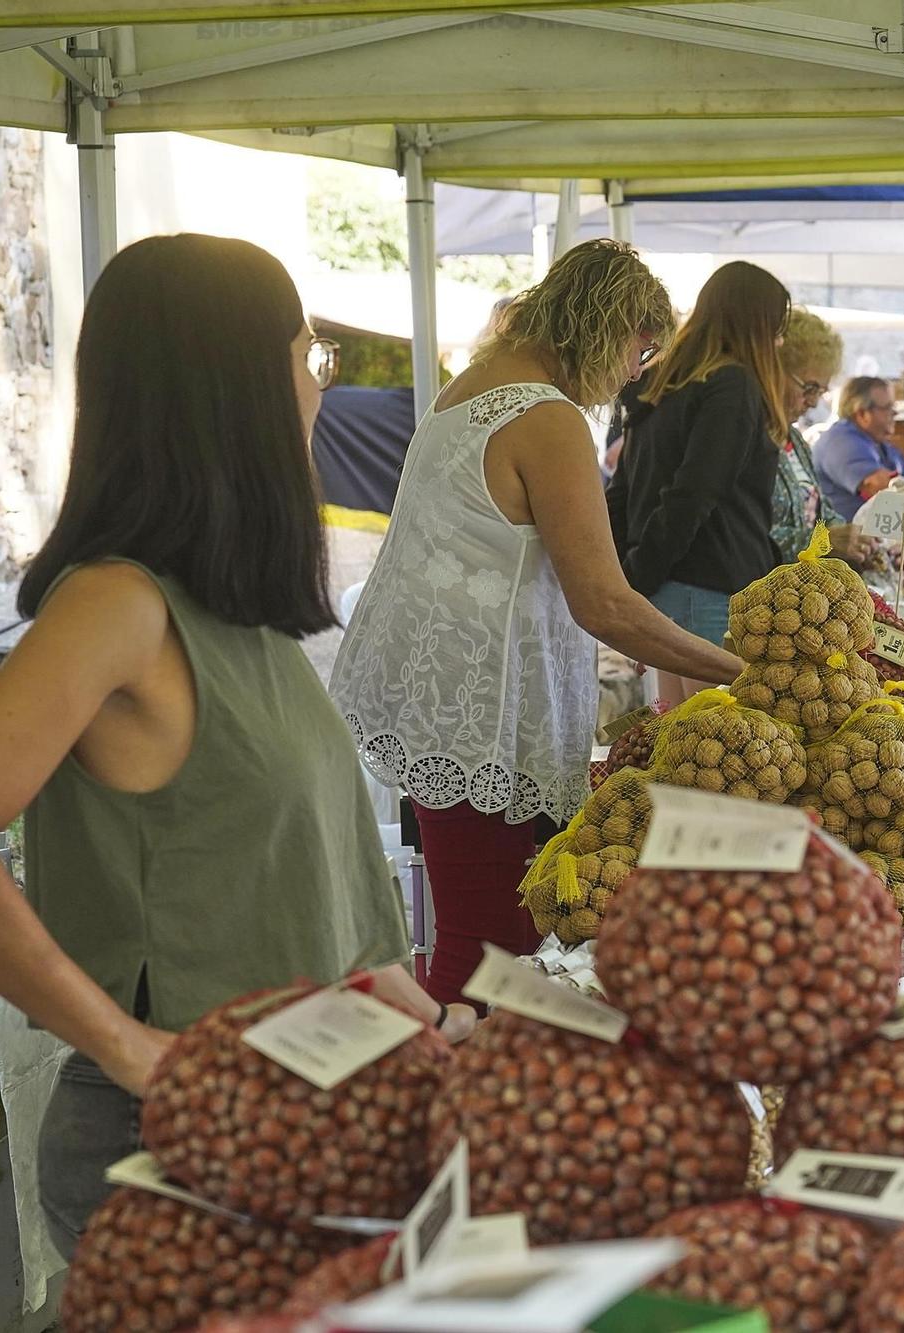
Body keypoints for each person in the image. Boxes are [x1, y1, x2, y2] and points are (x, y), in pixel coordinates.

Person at [0, 235, 465, 1257]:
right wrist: (126, 1046)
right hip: (181, 1152)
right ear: (237, 381)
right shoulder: (114, 604)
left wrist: (453, 1042)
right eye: (311, 357)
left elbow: (315, 895)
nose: (318, 388)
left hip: (306, 1128)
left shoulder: (236, 613)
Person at [334, 239, 742, 1009]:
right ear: (605, 326)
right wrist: (735, 671)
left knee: (478, 929)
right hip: (482, 714)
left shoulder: (477, 382)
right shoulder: (546, 417)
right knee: (491, 947)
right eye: (639, 347)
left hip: (443, 697)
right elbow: (605, 602)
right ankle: (455, 1101)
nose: (636, 369)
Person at [610, 261, 793, 665]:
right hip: (707, 590)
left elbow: (623, 490)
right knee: (713, 726)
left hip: (667, 587)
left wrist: (633, 582)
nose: (778, 345)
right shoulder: (731, 385)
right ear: (756, 326)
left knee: (674, 725)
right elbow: (692, 494)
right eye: (776, 331)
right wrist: (636, 581)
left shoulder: (661, 384)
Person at [771, 307, 844, 562]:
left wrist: (856, 537)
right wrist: (824, 542)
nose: (812, 403)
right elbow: (748, 538)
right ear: (775, 371)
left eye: (820, 391)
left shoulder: (795, 440)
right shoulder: (751, 441)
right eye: (809, 388)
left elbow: (821, 510)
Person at [812, 376, 904, 521]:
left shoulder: (880, 445)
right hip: (846, 540)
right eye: (887, 408)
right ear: (862, 413)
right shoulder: (840, 441)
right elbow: (887, 491)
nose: (894, 414)